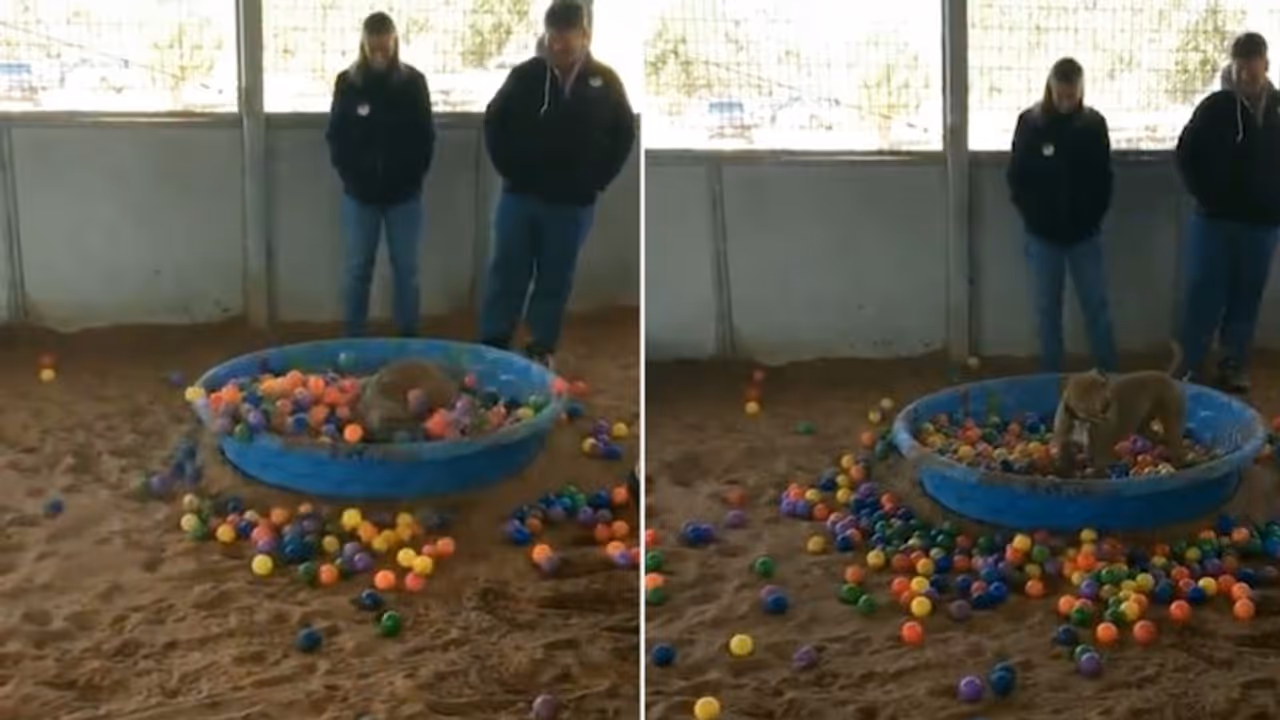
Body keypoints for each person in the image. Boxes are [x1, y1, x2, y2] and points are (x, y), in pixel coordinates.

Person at [478, 0, 636, 369]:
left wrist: (595, 182)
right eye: (553, 38)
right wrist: (510, 171)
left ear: (585, 36)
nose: (559, 46)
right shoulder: (525, 76)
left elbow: (623, 135)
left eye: (567, 38)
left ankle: (540, 346)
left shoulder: (606, 82)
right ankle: (495, 342)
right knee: (508, 269)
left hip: (572, 205)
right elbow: (494, 122)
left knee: (555, 276)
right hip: (519, 198)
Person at [1175, 32, 1280, 393]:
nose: (1246, 77)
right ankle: (1189, 365)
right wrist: (1206, 197)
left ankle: (1233, 365)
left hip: (1263, 225)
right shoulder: (1215, 107)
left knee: (1246, 297)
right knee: (1204, 292)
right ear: (1232, 67)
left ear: (1266, 64)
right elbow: (1186, 154)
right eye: (1240, 70)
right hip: (1214, 221)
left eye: (1252, 69)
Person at [325, 12, 436, 337]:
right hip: (360, 197)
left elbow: (425, 136)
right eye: (373, 50)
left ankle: (408, 335)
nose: (379, 56)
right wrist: (351, 178)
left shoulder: (413, 84)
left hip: (405, 196)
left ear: (394, 44)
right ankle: (355, 335)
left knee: (407, 270)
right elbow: (336, 136)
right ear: (363, 45)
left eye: (384, 50)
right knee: (359, 269)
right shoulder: (348, 84)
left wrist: (414, 178)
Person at [1007, 57, 1118, 373]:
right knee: (1047, 312)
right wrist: (1033, 218)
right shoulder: (1031, 124)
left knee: (1096, 307)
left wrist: (1094, 217)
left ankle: (1110, 376)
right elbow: (1017, 177)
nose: (1067, 103)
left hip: (1085, 235)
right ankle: (1052, 379)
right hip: (1043, 236)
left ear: (1081, 91)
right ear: (1050, 89)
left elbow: (1104, 177)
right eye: (1061, 96)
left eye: (1073, 96)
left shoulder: (1094, 125)